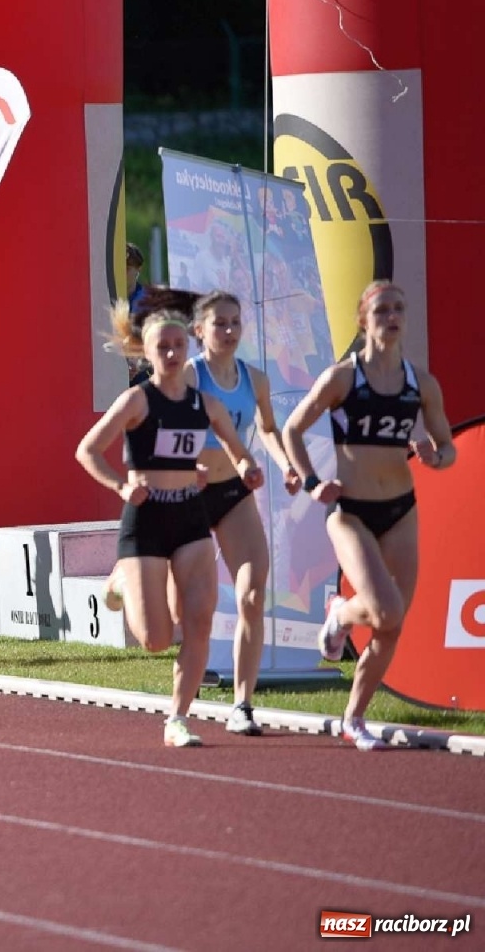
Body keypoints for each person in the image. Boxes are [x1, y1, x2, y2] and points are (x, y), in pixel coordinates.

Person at [76, 302, 261, 747]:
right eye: (164, 347)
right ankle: (120, 581)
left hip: (189, 518)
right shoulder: (137, 400)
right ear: (148, 353)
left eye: (180, 345)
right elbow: (87, 450)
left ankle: (177, 718)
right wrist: (121, 488)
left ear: (189, 346)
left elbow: (239, 451)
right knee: (157, 639)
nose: (174, 354)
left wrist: (248, 468)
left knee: (199, 620)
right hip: (147, 521)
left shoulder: (206, 403)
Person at [283, 280, 456, 752]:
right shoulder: (343, 378)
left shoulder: (421, 383)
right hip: (351, 511)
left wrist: (432, 455)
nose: (392, 316)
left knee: (392, 625)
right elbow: (293, 428)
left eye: (399, 308)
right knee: (384, 609)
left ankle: (354, 717)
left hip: (400, 509)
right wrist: (314, 483)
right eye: (382, 310)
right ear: (364, 320)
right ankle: (340, 612)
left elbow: (448, 451)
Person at [182, 291, 301, 735]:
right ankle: (186, 678)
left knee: (253, 595)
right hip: (188, 495)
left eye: (235, 323)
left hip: (233, 493)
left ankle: (242, 705)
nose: (229, 331)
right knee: (193, 607)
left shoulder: (256, 379)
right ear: (200, 331)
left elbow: (267, 428)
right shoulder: (190, 377)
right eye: (219, 324)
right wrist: (183, 465)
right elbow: (165, 426)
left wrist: (286, 464)